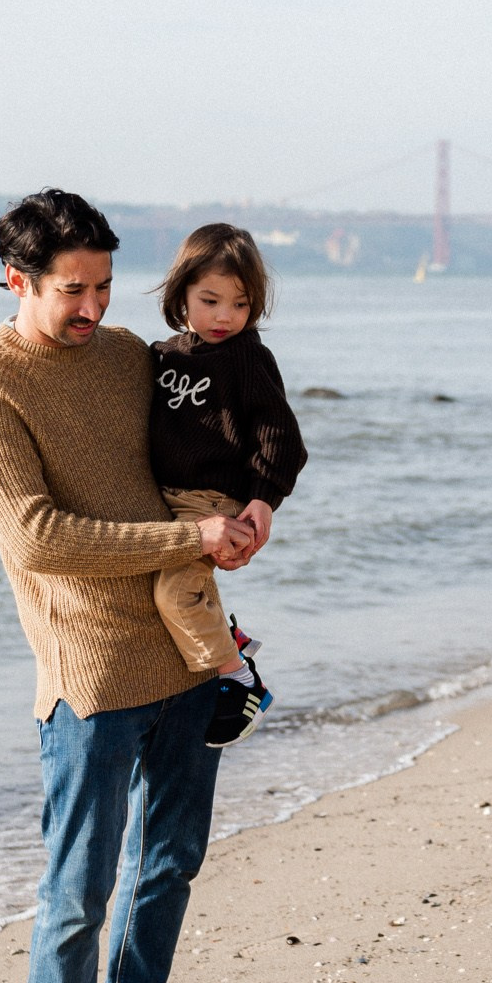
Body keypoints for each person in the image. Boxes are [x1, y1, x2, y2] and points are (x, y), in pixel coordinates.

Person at [0, 190, 254, 983]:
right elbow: (37, 538)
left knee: (171, 860)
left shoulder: (129, 358)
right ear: (17, 281)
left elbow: (206, 444)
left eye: (105, 286)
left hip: (187, 651)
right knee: (77, 886)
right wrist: (186, 535)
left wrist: (245, 509)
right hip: (85, 669)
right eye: (72, 290)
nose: (94, 308)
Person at [146, 223, 306, 748]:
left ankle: (238, 677)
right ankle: (229, 635)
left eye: (239, 304)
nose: (224, 316)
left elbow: (281, 436)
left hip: (213, 503)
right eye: (210, 300)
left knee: (175, 591)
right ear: (181, 294)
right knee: (154, 587)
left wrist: (264, 500)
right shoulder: (164, 355)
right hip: (163, 501)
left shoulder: (248, 357)